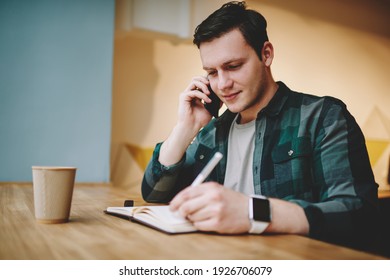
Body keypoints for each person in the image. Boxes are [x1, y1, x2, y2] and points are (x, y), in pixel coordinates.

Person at [141, 1, 379, 251]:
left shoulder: (323, 117)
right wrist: (185, 127)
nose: (222, 84)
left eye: (233, 66)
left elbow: (358, 216)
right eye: (212, 72)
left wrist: (253, 211)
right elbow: (154, 193)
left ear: (266, 54)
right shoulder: (211, 133)